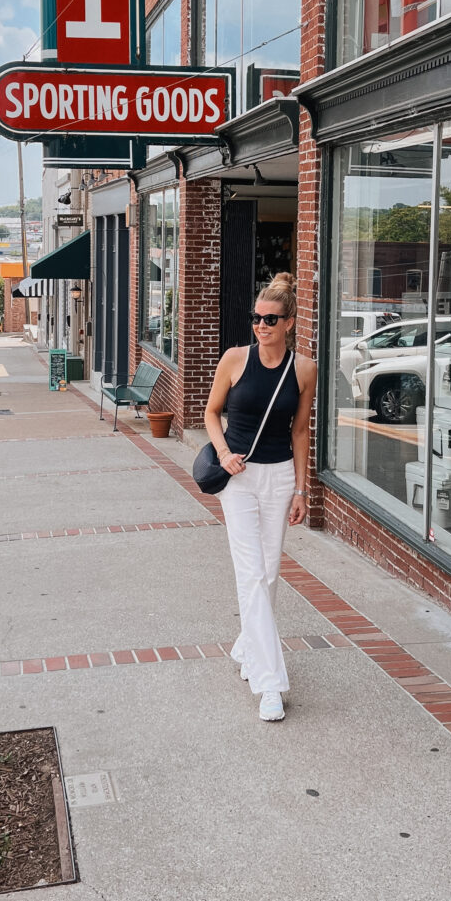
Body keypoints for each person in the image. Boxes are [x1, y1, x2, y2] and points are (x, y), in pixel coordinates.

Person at [204, 272, 317, 722]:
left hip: (280, 479)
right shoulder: (234, 359)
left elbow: (301, 431)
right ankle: (270, 683)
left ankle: (248, 644)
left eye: (271, 319)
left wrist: (302, 489)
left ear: (290, 322)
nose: (261, 325)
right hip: (240, 478)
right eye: (256, 318)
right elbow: (212, 413)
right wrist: (224, 451)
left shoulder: (304, 369)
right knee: (252, 575)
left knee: (268, 575)